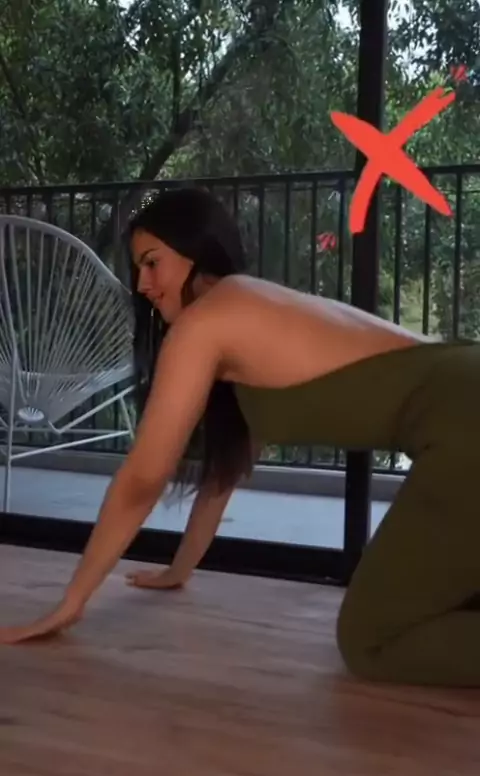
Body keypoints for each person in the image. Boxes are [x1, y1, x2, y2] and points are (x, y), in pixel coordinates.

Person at [1, 186, 479, 689]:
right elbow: (224, 475)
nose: (142, 284)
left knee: (370, 641)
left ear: (195, 250)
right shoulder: (246, 306)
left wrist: (71, 603)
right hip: (465, 390)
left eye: (153, 263)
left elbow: (143, 478)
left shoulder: (206, 324)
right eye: (138, 269)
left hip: (464, 422)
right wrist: (178, 570)